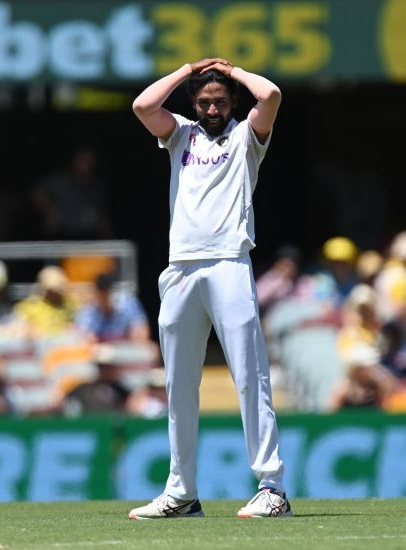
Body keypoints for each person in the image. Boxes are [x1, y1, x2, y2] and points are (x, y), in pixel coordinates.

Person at [127, 58, 290, 520]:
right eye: (204, 101)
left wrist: (232, 71)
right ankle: (182, 493)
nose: (212, 106)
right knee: (178, 384)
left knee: (249, 377)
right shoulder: (180, 133)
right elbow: (143, 104)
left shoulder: (246, 137)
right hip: (180, 268)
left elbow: (272, 95)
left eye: (219, 100)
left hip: (228, 262)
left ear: (233, 101)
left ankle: (272, 487)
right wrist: (187, 70)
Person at [31, 146, 113, 240]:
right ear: (74, 160)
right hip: (60, 236)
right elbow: (35, 192)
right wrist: (50, 210)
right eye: (82, 159)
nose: (86, 163)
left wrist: (108, 239)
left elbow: (102, 217)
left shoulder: (97, 186)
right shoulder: (59, 181)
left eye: (90, 159)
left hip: (87, 238)